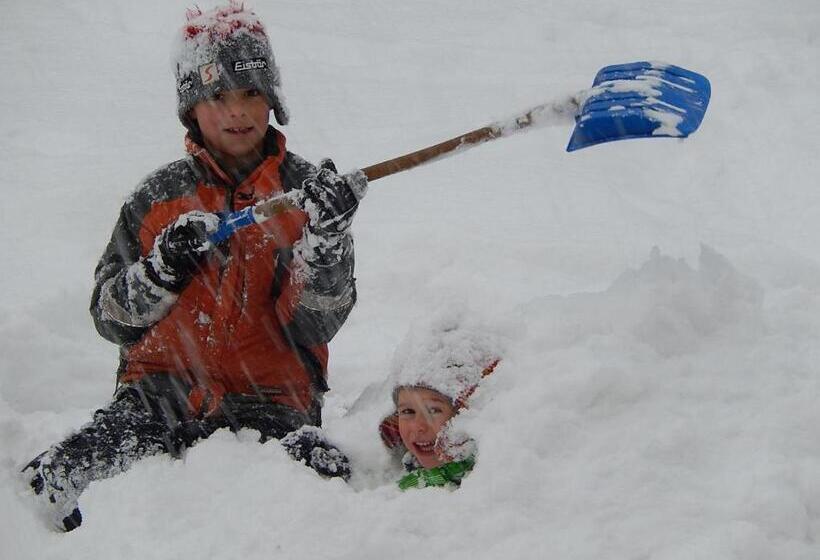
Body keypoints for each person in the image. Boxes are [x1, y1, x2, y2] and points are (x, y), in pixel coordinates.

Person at [21, 1, 364, 532]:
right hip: (158, 395)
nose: (237, 112)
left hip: (275, 404)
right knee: (46, 489)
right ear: (190, 108)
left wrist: (328, 239)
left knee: (325, 505)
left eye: (251, 92)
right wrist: (160, 271)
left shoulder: (309, 196)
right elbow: (109, 316)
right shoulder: (156, 199)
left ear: (273, 99)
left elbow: (317, 324)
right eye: (217, 95)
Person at [378, 319, 500, 491]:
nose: (418, 427)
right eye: (407, 411)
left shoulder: (490, 479)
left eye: (434, 410)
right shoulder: (406, 452)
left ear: (467, 415)